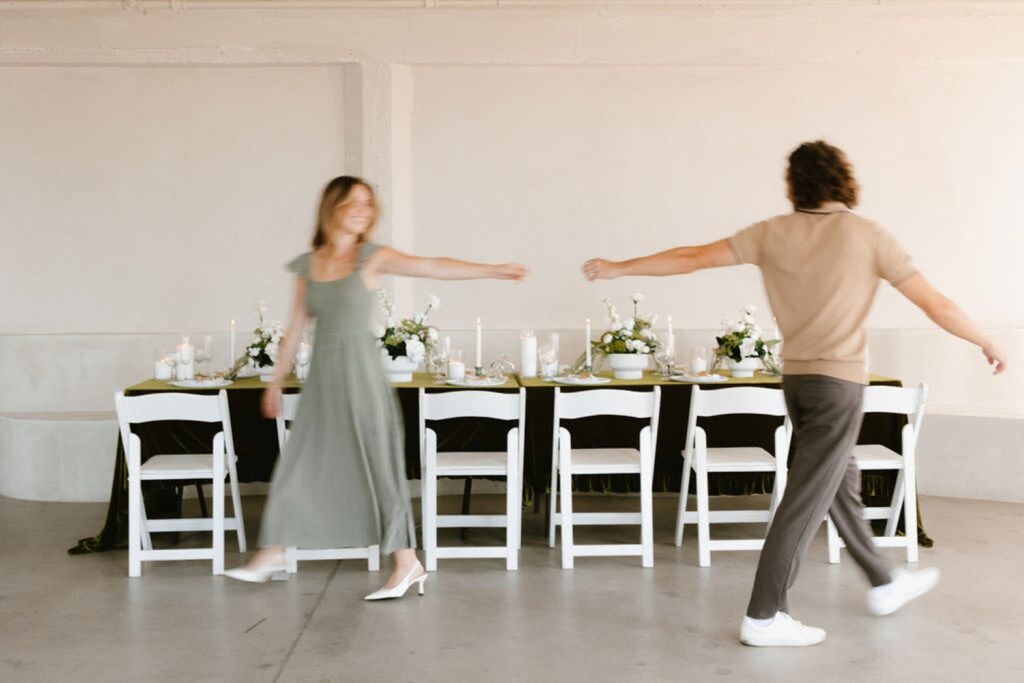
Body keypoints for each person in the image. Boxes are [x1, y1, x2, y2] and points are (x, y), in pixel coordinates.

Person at [582, 140, 1007, 646]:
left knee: (839, 479)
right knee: (806, 500)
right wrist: (984, 340)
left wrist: (620, 267)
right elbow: (934, 303)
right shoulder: (868, 236)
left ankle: (883, 580)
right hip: (839, 385)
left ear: (795, 184)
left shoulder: (771, 233)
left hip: (798, 382)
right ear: (844, 179)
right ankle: (764, 616)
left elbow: (692, 258)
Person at [225, 176, 527, 599]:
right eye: (353, 202)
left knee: (381, 467)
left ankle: (406, 563)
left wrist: (491, 270)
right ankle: (274, 550)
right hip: (323, 381)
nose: (362, 210)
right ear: (331, 207)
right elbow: (294, 329)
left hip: (362, 377)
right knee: (300, 460)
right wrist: (274, 382)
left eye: (367, 203)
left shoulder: (371, 257)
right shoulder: (307, 265)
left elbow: (432, 266)